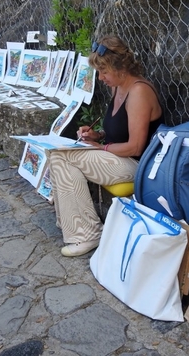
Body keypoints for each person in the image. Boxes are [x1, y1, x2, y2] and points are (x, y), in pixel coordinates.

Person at [50, 35, 164, 257]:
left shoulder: (139, 92)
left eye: (104, 72)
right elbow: (118, 131)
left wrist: (98, 147)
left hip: (137, 165)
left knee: (64, 157)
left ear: (120, 68)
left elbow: (136, 147)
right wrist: (97, 134)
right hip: (118, 157)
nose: (100, 78)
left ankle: (88, 233)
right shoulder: (118, 87)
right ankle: (72, 221)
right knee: (56, 153)